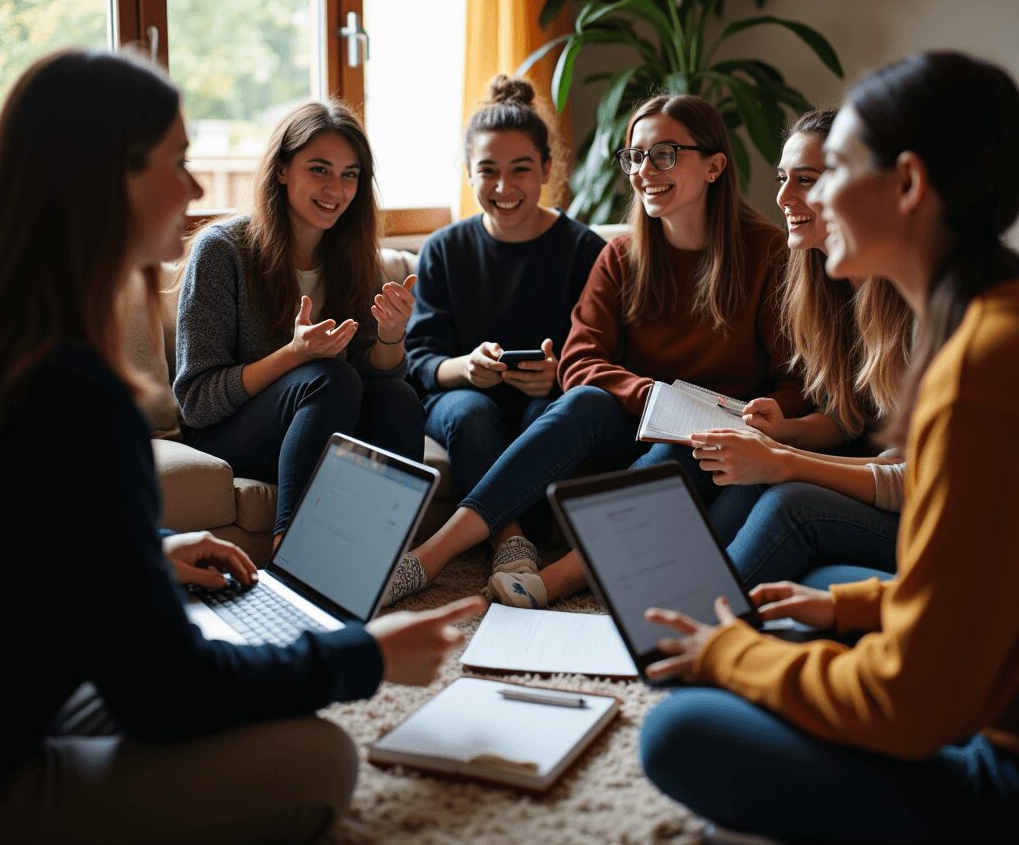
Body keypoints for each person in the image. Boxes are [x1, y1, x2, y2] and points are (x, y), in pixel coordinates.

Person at [0, 48, 483, 844]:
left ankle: (362, 553)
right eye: (178, 161)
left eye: (350, 174)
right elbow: (169, 691)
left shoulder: (28, 349)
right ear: (101, 178)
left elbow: (30, 535)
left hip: (32, 689)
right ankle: (302, 561)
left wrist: (148, 550)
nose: (192, 188)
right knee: (323, 759)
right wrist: (363, 659)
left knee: (378, 387)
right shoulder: (84, 387)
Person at [640, 51, 1019, 844]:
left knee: (675, 731)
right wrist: (849, 606)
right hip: (986, 682)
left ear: (908, 185)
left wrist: (731, 659)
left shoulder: (979, 369)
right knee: (814, 601)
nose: (797, 198)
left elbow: (909, 706)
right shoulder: (991, 319)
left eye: (830, 170)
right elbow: (988, 583)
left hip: (1002, 775)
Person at [384, 93, 804, 609]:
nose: (645, 170)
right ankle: (429, 557)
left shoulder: (767, 254)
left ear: (714, 166)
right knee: (585, 402)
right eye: (635, 156)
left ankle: (553, 580)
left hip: (717, 433)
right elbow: (582, 359)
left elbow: (798, 379)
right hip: (634, 419)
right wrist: (652, 395)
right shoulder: (622, 255)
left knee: (683, 446)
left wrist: (767, 412)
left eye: (664, 154)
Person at [173, 99, 424, 544]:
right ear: (283, 169)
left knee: (397, 397)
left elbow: (376, 373)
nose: (336, 188)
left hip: (320, 428)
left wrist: (390, 337)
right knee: (330, 376)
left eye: (350, 175)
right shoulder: (222, 250)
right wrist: (294, 355)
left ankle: (383, 549)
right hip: (231, 436)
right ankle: (293, 553)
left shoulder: (354, 257)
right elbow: (197, 402)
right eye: (320, 169)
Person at [689, 110, 912, 588]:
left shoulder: (915, 301)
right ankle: (688, 594)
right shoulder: (825, 287)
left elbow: (913, 477)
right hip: (884, 489)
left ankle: (694, 620)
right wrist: (783, 432)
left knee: (790, 501)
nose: (783, 198)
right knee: (797, 543)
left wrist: (783, 460)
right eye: (783, 178)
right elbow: (845, 415)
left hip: (930, 511)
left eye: (806, 180)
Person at [405, 75, 604, 578]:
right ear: (468, 174)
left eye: (520, 170)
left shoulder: (584, 250)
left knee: (546, 410)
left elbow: (602, 354)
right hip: (462, 396)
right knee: (470, 411)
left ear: (546, 171)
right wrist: (467, 368)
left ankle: (498, 534)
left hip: (546, 398)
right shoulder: (445, 249)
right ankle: (510, 539)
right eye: (487, 171)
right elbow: (421, 358)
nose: (503, 188)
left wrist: (558, 373)